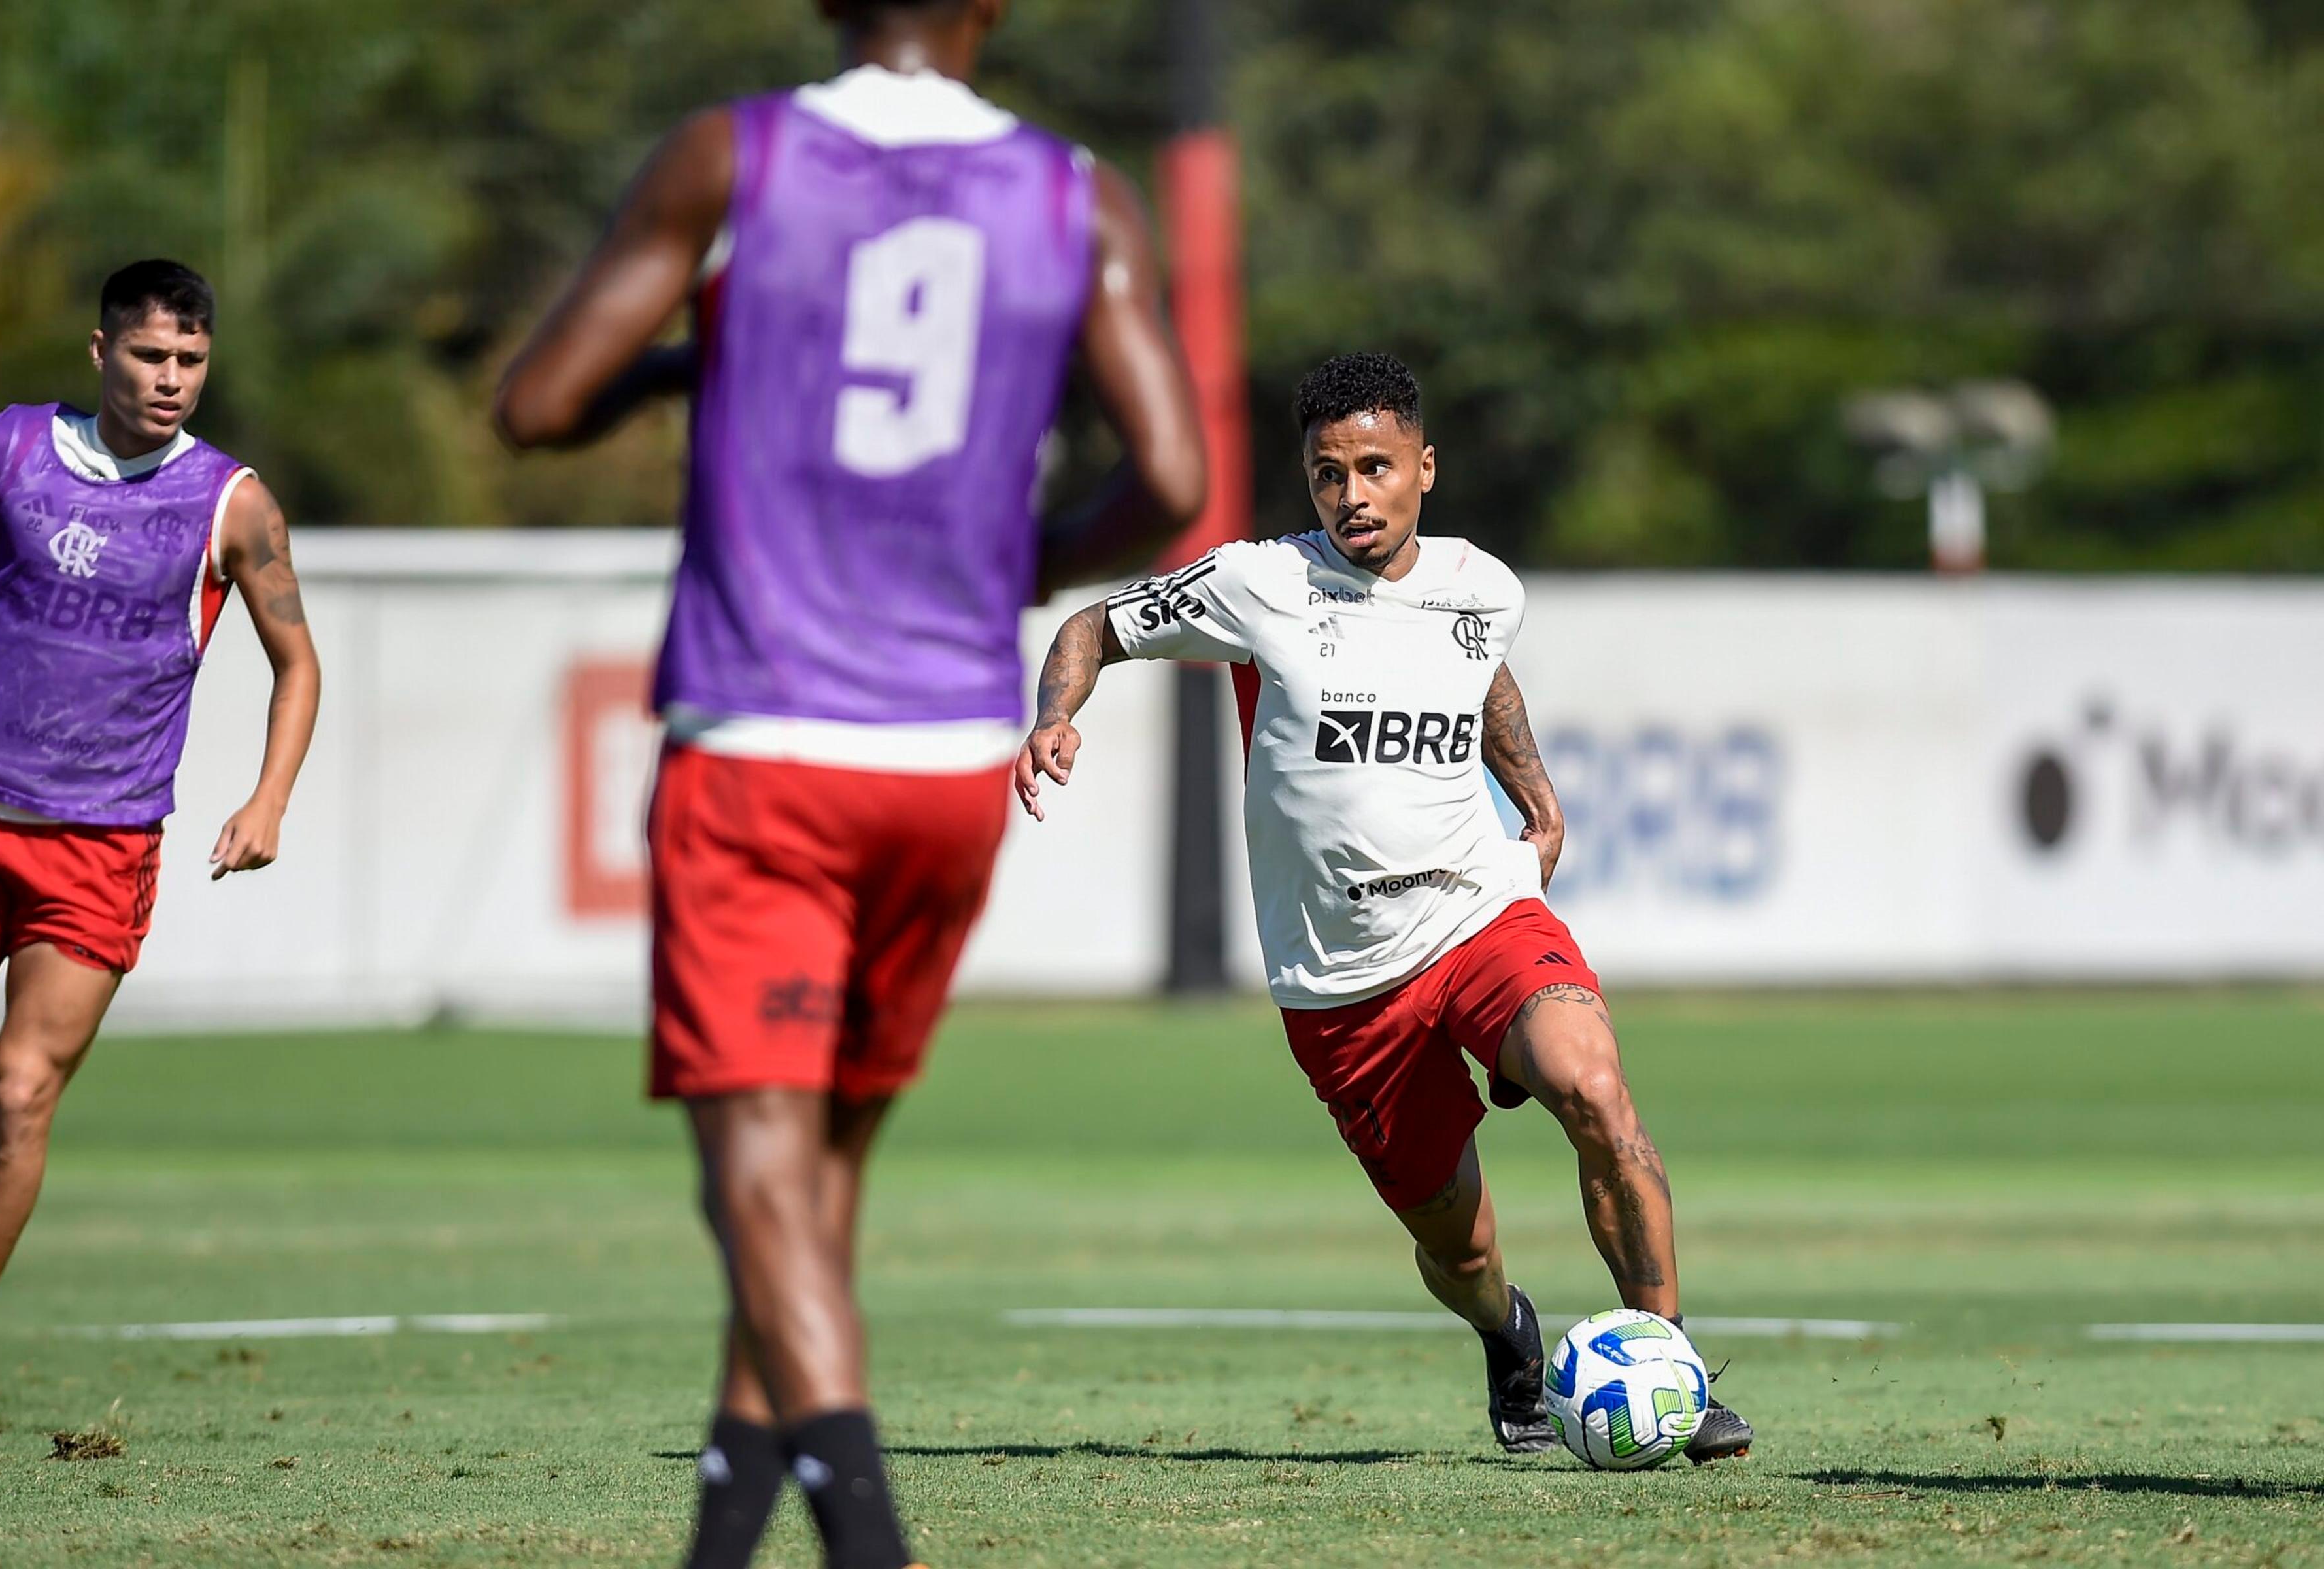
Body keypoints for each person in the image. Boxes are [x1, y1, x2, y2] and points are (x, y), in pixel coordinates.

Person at [492, 1, 1204, 1562]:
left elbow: (536, 404)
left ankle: (870, 1544)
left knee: (754, 1181)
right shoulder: (1082, 194)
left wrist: (683, 360)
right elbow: (1168, 477)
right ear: (992, 11)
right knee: (813, 1191)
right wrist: (1013, 568)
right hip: (951, 759)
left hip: (764, 743)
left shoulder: (731, 158)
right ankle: (721, 1542)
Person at [1015, 352, 1753, 1464]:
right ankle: (1510, 1339)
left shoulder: (1481, 585)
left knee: (1596, 1091)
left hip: (1477, 916)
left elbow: (1484, 676)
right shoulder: (1256, 586)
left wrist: (1540, 806)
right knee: (1461, 1249)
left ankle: (1675, 1376)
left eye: (1375, 467)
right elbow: (1091, 629)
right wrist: (1055, 716)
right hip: (1342, 982)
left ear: (1425, 468)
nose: (1352, 494)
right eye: (1328, 474)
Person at [0, 260, 320, 1423]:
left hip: (100, 854)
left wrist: (269, 797)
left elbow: (299, 664)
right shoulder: (9, 451)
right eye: (152, 357)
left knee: (22, 1094)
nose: (173, 381)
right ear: (101, 353)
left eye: (193, 362)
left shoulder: (231, 503)